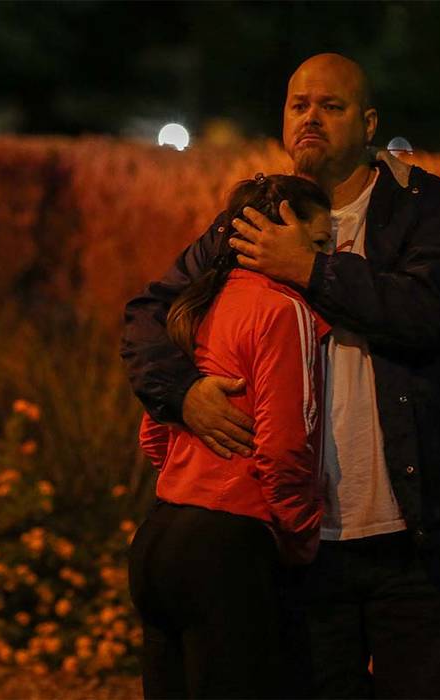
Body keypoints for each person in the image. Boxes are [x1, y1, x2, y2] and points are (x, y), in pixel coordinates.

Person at [121, 53, 440, 699]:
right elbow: (148, 317)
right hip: (300, 542)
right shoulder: (256, 218)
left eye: (331, 106)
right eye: (299, 105)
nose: (311, 118)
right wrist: (183, 394)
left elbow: (429, 312)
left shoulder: (421, 206)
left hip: (416, 532)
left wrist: (310, 268)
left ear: (369, 123)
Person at [127, 174, 334, 699]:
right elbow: (286, 446)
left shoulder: (198, 303)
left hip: (160, 536)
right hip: (227, 545)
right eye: (318, 243)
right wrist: (301, 535)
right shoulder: (285, 310)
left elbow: (154, 434)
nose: (325, 260)